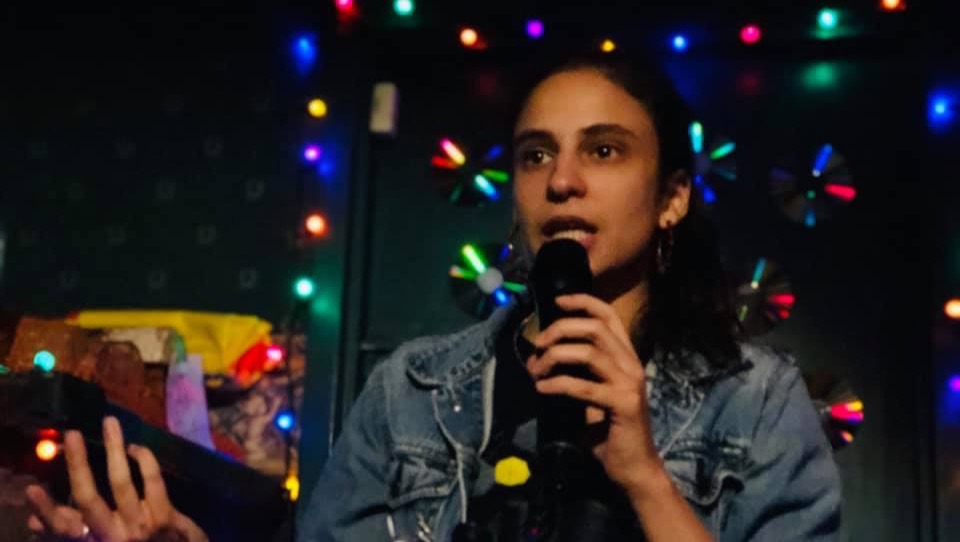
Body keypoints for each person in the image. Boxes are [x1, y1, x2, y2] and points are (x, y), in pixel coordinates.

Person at [25, 50, 842, 541]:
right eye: (535, 155)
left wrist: (644, 474)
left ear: (672, 197)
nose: (562, 181)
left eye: (603, 150)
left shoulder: (757, 402)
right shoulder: (413, 391)